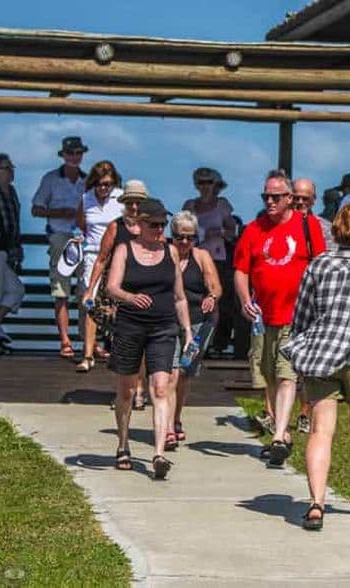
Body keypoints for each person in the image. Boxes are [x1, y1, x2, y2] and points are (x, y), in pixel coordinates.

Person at [281, 204, 350, 531]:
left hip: (322, 354)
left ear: (337, 231)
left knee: (320, 430)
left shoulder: (318, 265)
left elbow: (302, 315)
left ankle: (316, 503)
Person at [234, 170, 326, 468]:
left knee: (287, 375)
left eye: (275, 197)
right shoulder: (253, 229)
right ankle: (281, 431)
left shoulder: (308, 226)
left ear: (289, 198)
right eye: (266, 196)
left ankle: (278, 435)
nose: (270, 201)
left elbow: (319, 265)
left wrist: (316, 306)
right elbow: (241, 269)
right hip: (263, 316)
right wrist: (245, 300)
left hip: (295, 316)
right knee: (268, 376)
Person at [106, 197, 192, 479]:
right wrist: (130, 297)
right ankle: (123, 444)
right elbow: (111, 287)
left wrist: (187, 330)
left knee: (161, 387)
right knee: (127, 390)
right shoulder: (124, 249)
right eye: (154, 225)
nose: (159, 230)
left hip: (163, 327)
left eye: (162, 225)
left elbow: (179, 297)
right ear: (139, 224)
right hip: (130, 325)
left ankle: (159, 454)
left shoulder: (171, 252)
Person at [85, 179, 149, 410]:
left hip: (144, 289)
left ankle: (139, 389)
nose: (134, 207)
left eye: (138, 203)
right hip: (117, 291)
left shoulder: (151, 226)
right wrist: (90, 289)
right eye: (130, 203)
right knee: (121, 344)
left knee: (142, 342)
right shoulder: (115, 227)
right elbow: (101, 259)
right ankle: (124, 392)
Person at [167, 211, 222, 447]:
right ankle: (168, 427)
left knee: (185, 374)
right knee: (171, 373)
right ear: (172, 235)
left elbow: (215, 286)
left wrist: (212, 297)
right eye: (180, 237)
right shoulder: (164, 254)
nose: (184, 242)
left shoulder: (201, 256)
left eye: (190, 237)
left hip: (198, 321)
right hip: (169, 320)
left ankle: (176, 417)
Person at [31, 136, 87, 359]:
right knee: (61, 292)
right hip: (59, 236)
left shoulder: (88, 180)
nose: (74, 156)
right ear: (63, 155)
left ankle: (88, 339)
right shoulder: (51, 179)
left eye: (77, 153)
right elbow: (36, 209)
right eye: (70, 153)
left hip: (83, 238)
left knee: (86, 291)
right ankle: (65, 340)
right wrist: (59, 212)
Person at [292, 177, 334, 434]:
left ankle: (305, 411)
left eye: (304, 198)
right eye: (296, 197)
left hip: (313, 298)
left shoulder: (325, 228)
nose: (300, 202)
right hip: (286, 297)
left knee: (309, 357)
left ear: (314, 201)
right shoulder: (279, 225)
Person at [74, 161, 124, 372]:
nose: (104, 188)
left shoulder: (121, 198)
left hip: (116, 254)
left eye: (108, 184)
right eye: (100, 184)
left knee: (117, 301)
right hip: (93, 253)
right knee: (90, 301)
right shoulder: (86, 199)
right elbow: (81, 224)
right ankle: (88, 354)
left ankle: (117, 349)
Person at [182, 168, 236, 356]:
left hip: (218, 257)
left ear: (215, 185)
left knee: (217, 300)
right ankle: (192, 338)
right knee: (194, 299)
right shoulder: (190, 205)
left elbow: (232, 231)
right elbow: (182, 228)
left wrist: (217, 232)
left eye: (208, 182)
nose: (205, 186)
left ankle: (215, 342)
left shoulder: (222, 205)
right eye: (201, 182)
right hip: (194, 256)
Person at [0, 154, 24, 354]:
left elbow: (14, 222)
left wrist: (17, 247)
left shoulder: (12, 192)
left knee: (16, 290)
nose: (10, 171)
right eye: (6, 168)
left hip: (7, 251)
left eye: (11, 167)